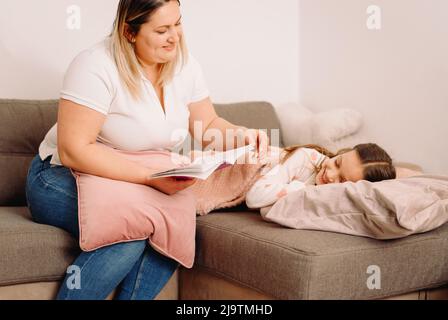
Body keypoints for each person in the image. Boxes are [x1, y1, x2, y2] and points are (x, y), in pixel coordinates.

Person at [25, 0, 268, 300]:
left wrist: (242, 135)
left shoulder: (185, 65)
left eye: (178, 23)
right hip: (60, 175)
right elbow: (75, 150)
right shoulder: (94, 65)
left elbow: (207, 125)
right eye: (162, 30)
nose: (175, 36)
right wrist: (150, 176)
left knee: (176, 226)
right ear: (129, 32)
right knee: (127, 231)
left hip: (128, 179)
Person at [246, 143, 396, 214]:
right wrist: (298, 188)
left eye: (342, 180)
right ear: (343, 152)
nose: (330, 176)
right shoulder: (305, 159)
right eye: (337, 162)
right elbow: (254, 197)